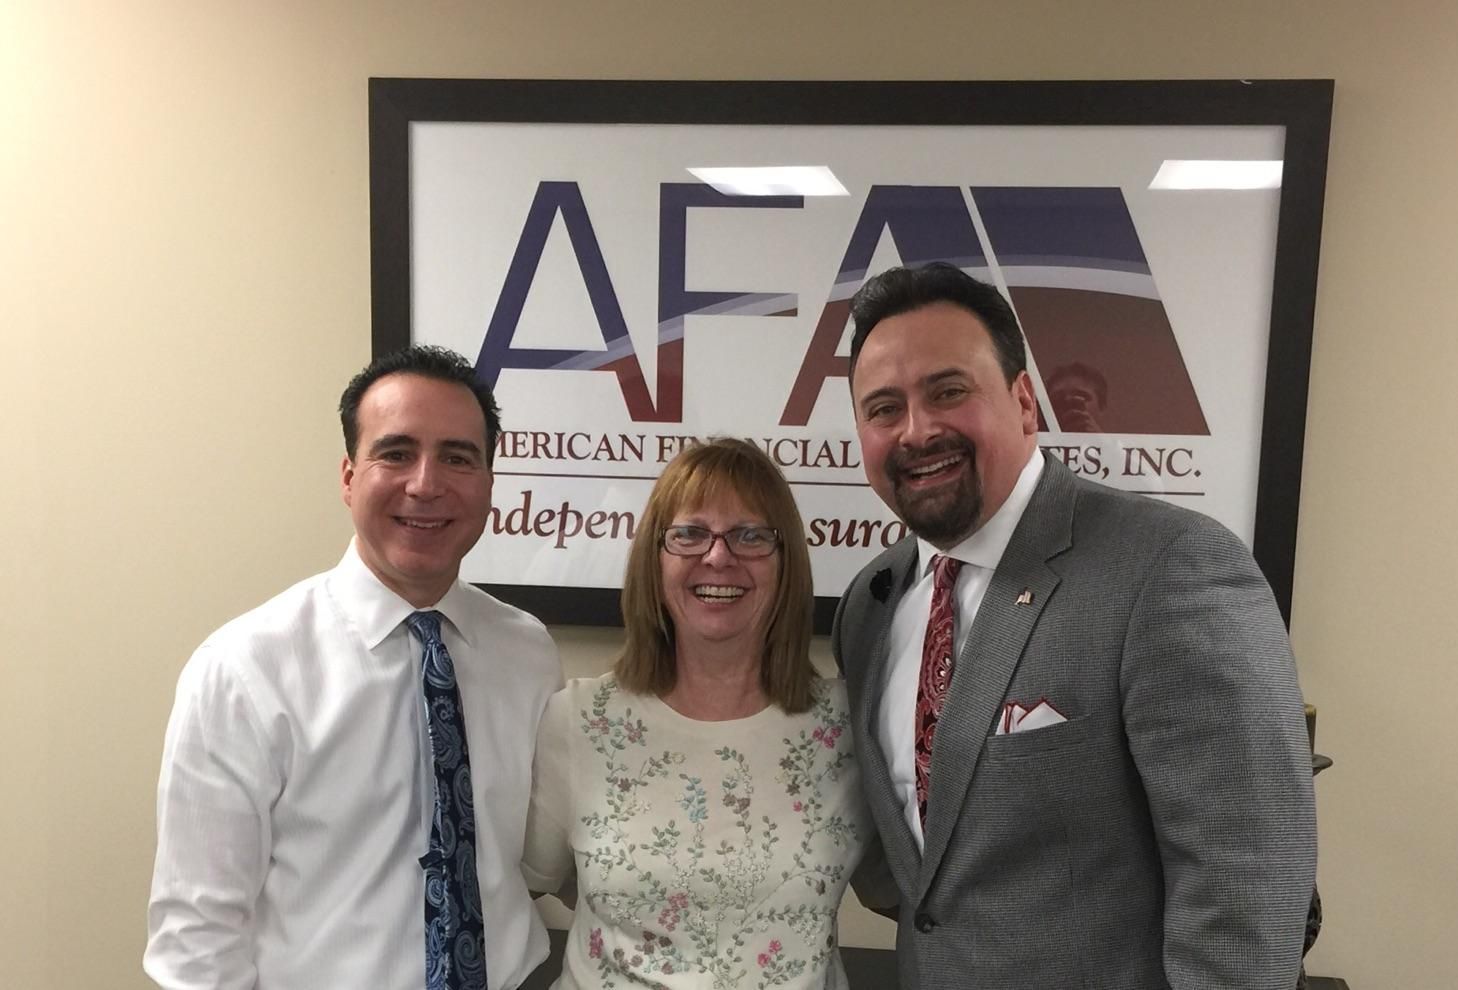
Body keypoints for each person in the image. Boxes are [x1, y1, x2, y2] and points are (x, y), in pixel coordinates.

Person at [832, 263, 1316, 989]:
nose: (918, 430)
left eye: (948, 391)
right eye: (883, 408)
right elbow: (921, 877)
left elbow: (1246, 885)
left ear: (1025, 401)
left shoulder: (1168, 567)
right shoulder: (869, 604)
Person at [145, 345, 563, 990]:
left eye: (458, 457)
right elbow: (196, 936)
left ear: (488, 483)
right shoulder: (243, 669)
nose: (426, 483)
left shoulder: (526, 651)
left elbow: (533, 863)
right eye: (395, 453)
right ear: (347, 476)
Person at [522, 438, 874, 989]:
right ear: (654, 560)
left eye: (750, 535)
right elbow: (534, 883)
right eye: (688, 533)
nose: (717, 556)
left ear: (787, 564)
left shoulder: (847, 727)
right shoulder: (579, 720)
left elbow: (897, 892)